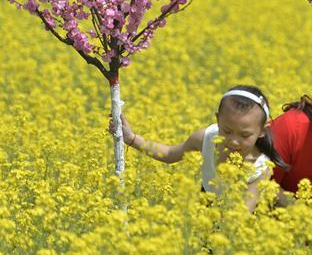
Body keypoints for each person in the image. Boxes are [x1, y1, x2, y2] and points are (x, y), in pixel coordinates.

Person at [117, 85, 288, 212]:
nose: (234, 141)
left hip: (244, 219)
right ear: (217, 120)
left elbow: (242, 214)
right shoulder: (205, 138)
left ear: (262, 132)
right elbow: (169, 154)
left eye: (244, 136)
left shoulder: (260, 166)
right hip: (207, 205)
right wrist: (131, 138)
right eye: (227, 131)